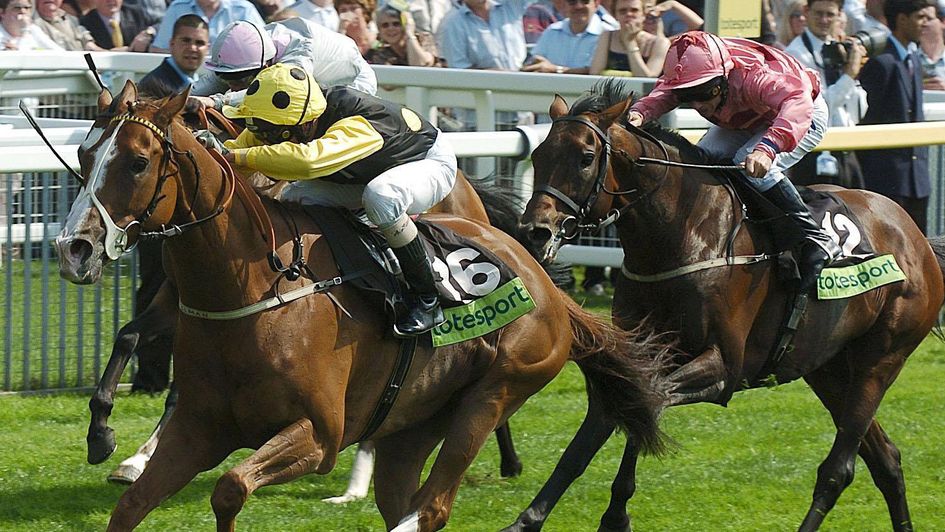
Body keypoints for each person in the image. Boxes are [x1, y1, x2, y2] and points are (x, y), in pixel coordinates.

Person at [220, 63, 457, 336]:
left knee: (381, 197)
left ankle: (427, 299)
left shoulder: (356, 123)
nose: (265, 140)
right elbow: (237, 151)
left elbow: (309, 162)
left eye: (271, 135)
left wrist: (240, 157)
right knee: (297, 196)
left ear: (306, 124)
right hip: (365, 171)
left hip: (426, 161)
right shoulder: (287, 116)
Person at [627, 30, 842, 293]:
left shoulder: (754, 77)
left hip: (801, 112)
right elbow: (666, 92)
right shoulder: (700, 78)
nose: (698, 104)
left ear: (724, 76)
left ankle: (815, 238)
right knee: (701, 162)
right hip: (746, 115)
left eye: (706, 91)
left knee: (749, 164)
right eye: (688, 95)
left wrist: (768, 148)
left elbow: (796, 103)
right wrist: (640, 112)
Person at [189, 18, 378, 113]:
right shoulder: (251, 53)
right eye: (226, 77)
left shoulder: (298, 55)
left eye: (239, 80)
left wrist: (218, 101)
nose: (231, 85)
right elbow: (205, 85)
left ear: (264, 66)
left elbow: (270, 93)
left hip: (351, 86)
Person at [858, 0, 935, 234]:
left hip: (916, 181)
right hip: (887, 180)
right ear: (902, 19)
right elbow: (867, 121)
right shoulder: (881, 63)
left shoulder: (912, 59)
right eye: (921, 17)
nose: (927, 24)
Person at [784, 0, 867, 188]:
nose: (824, 20)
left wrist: (852, 72)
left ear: (839, 15)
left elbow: (859, 108)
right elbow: (815, 108)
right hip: (812, 152)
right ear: (806, 12)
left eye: (830, 14)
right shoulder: (796, 53)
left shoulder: (838, 48)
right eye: (818, 13)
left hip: (846, 150)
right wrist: (849, 75)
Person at [522, 0, 608, 75]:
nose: (578, 6)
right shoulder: (552, 31)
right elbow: (537, 62)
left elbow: (595, 72)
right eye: (572, 1)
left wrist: (555, 70)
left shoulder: (608, 34)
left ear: (596, 4)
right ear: (564, 5)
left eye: (585, 1)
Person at [148, 0, 265, 53]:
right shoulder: (177, 7)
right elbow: (159, 50)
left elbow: (265, 47)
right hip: (184, 82)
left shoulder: (244, 9)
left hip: (231, 80)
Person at [590, 0, 670, 76]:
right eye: (622, 11)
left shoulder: (661, 43)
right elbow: (595, 74)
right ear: (615, 16)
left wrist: (630, 43)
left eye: (634, 10)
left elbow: (647, 81)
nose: (629, 14)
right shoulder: (607, 36)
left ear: (643, 14)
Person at [138, 14, 210, 96]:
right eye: (186, 41)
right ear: (172, 44)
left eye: (199, 43)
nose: (192, 48)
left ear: (208, 48)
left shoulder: (205, 86)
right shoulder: (153, 87)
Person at [366, 5, 439, 66]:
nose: (391, 28)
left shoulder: (424, 39)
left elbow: (421, 64)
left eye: (396, 24)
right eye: (385, 25)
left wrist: (410, 35)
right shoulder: (380, 54)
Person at [78, 0, 151, 50]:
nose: (110, 0)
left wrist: (148, 33)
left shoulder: (135, 13)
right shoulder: (85, 22)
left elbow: (158, 25)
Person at [33, 0, 104, 50]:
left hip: (80, 67)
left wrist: (108, 53)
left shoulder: (72, 20)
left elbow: (90, 46)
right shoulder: (31, 23)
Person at [919, 3, 945, 89]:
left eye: (929, 19)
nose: (923, 23)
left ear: (943, 23)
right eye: (919, 18)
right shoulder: (908, 59)